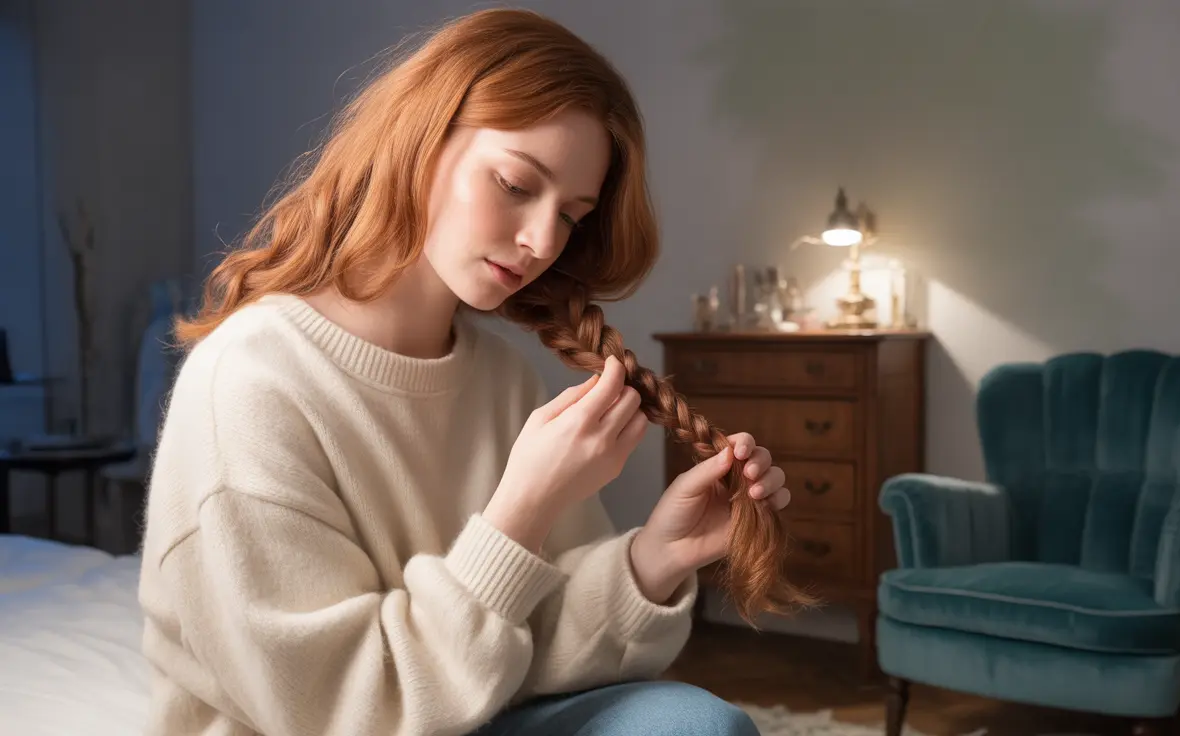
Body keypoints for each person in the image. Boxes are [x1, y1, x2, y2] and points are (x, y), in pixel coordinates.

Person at [136, 8, 793, 736]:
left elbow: (530, 649)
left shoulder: (499, 380)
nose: (543, 240)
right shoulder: (250, 383)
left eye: (572, 215)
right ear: (418, 141)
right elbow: (339, 711)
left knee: (694, 727)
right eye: (516, 184)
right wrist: (521, 511)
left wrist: (653, 558)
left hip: (471, 716)